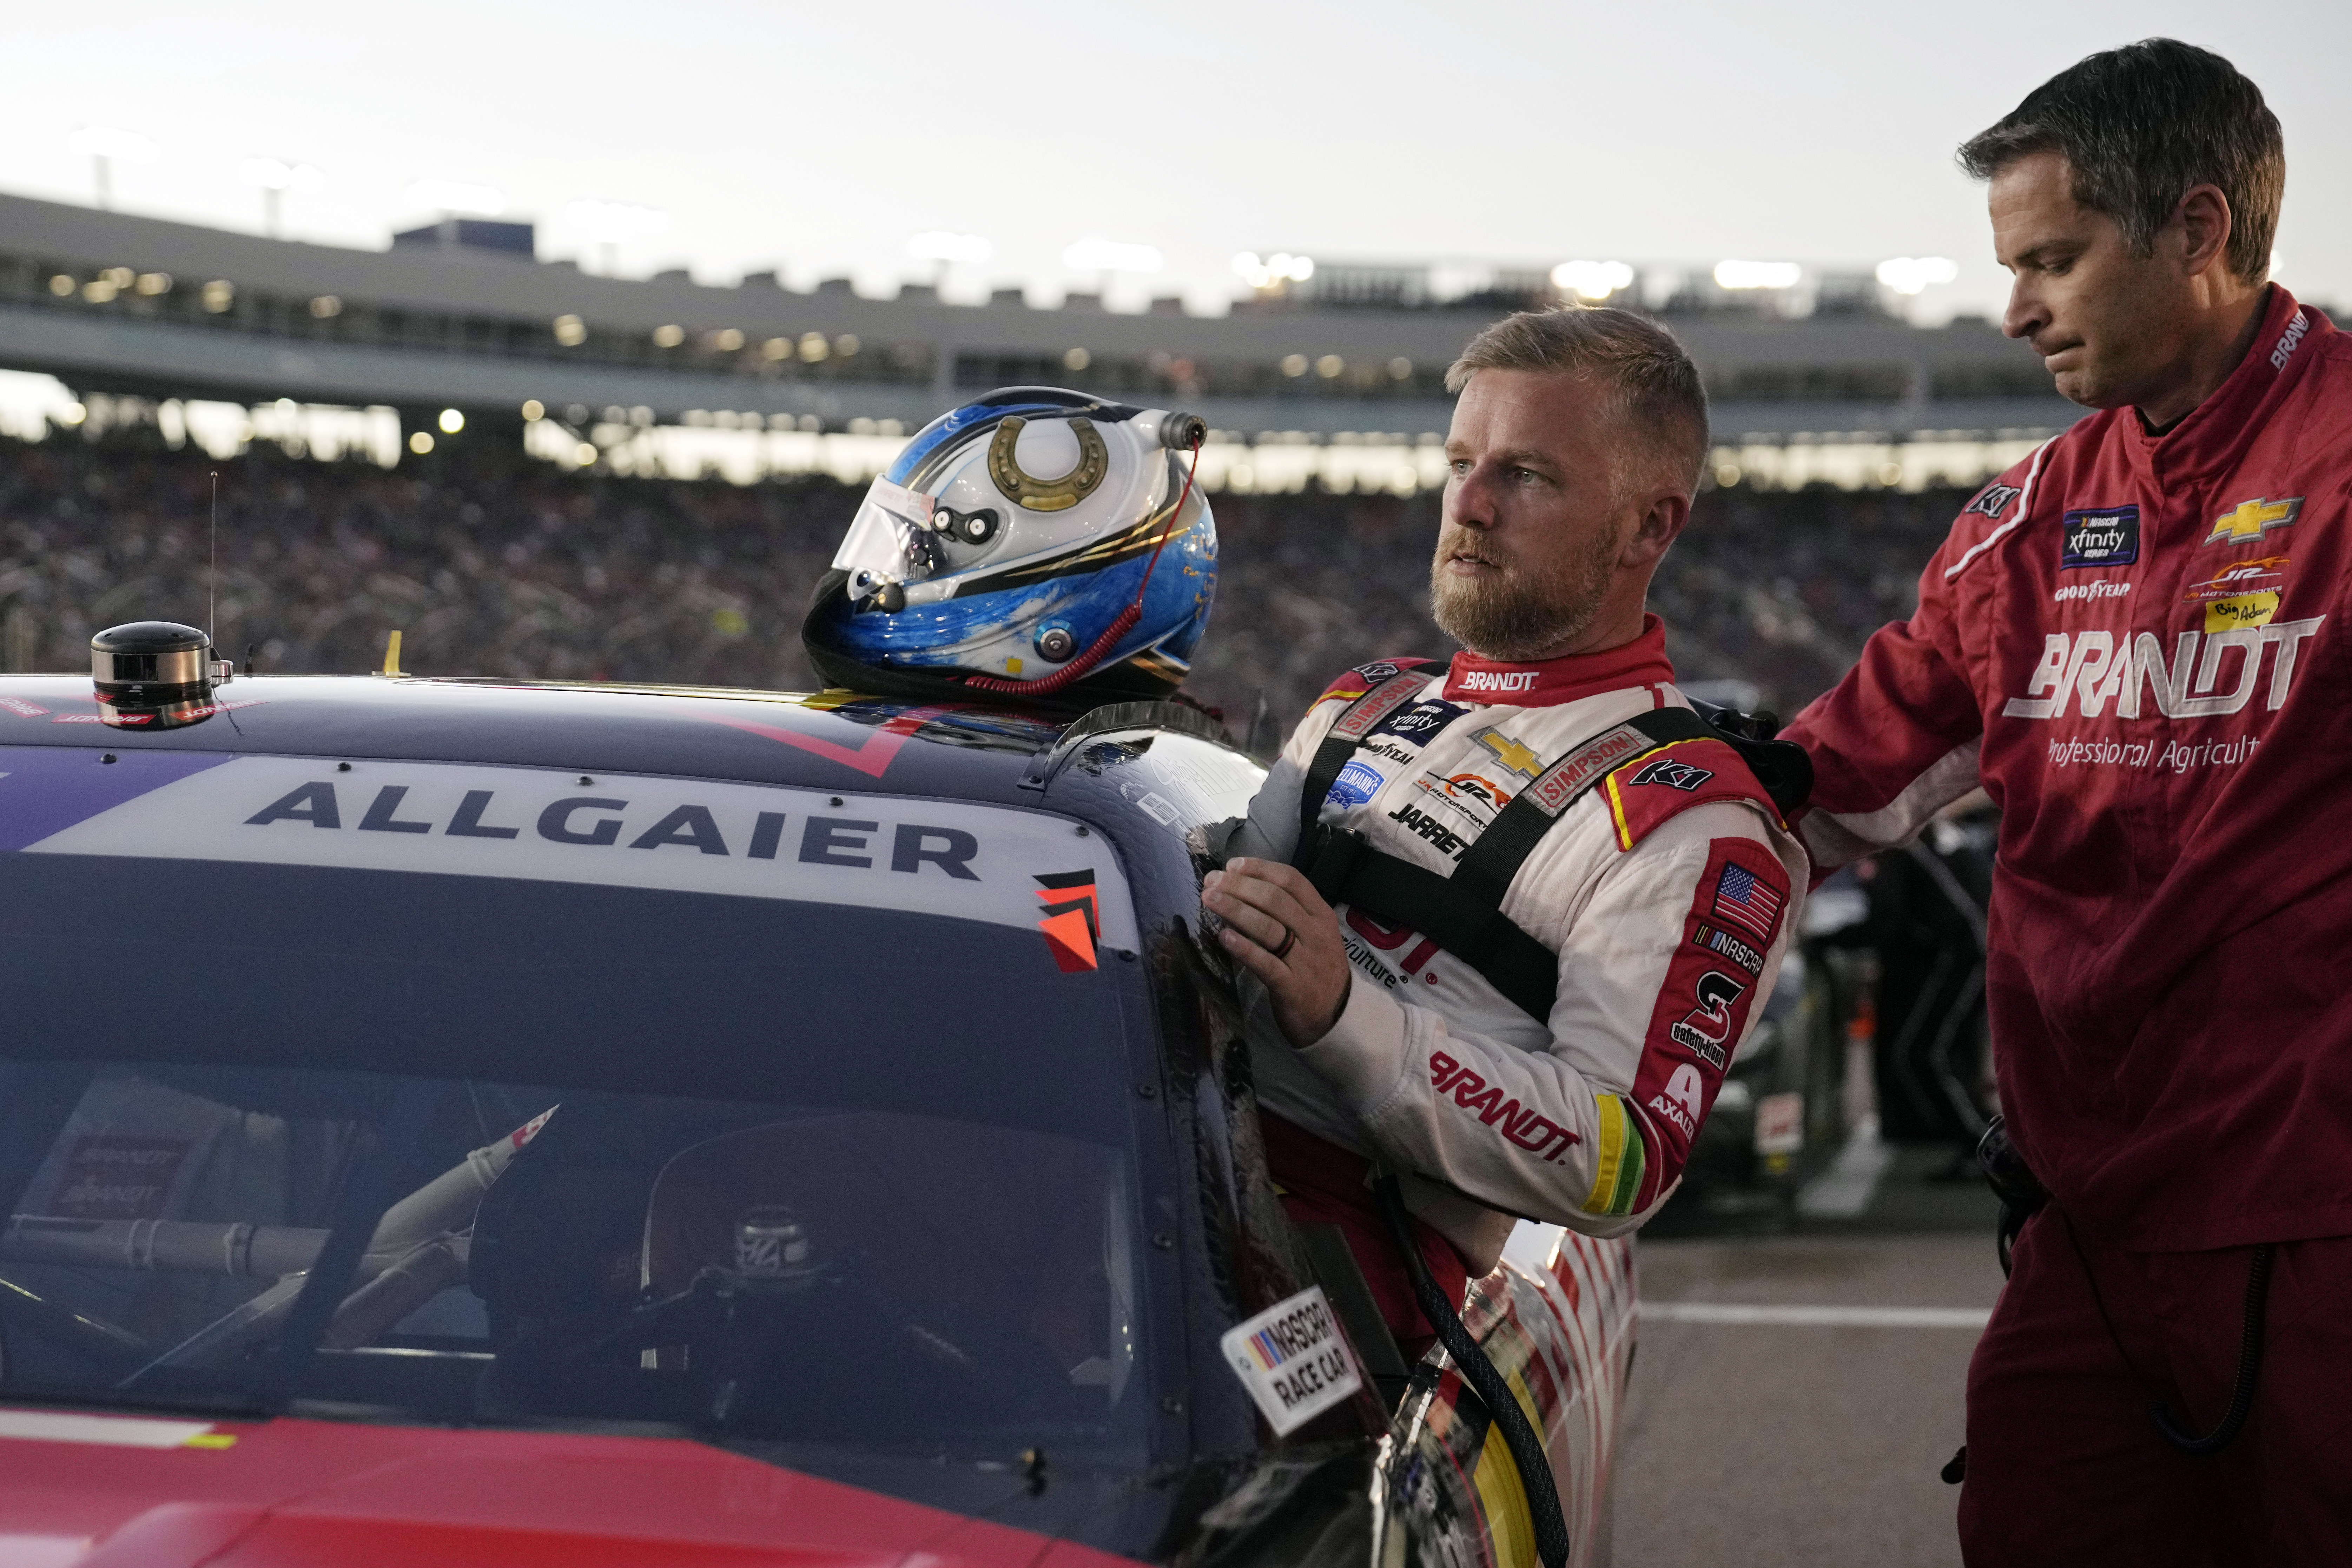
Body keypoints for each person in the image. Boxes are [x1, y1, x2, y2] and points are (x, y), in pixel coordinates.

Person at [1776, 39, 2352, 1564]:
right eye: (2010, 263)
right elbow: (1831, 781)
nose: (2016, 306)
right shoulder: (2020, 525)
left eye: (2053, 258)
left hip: (2319, 1218)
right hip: (2083, 1230)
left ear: (2199, 228)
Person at [1204, 306, 1808, 1358]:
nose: (1470, 506)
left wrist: (1347, 1016)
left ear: (1648, 527)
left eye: (1526, 475)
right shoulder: (1364, 700)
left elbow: (1622, 1158)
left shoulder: (1696, 819)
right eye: (1459, 463)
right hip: (1160, 1180)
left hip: (1343, 1278)